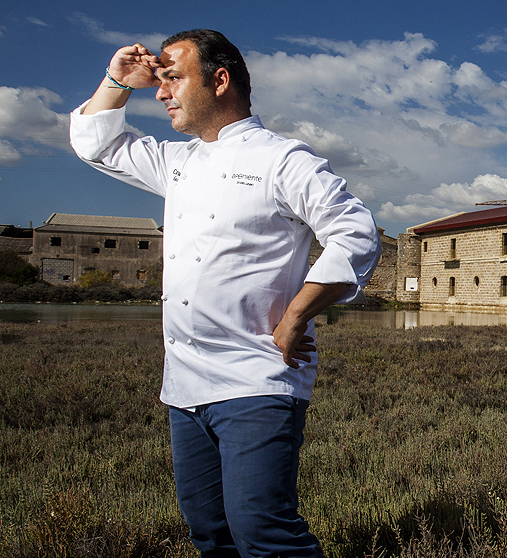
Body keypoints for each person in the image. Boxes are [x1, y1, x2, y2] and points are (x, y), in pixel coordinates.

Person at [69, 29, 381, 557]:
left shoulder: (283, 159)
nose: (161, 92)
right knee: (210, 532)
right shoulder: (178, 162)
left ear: (219, 81)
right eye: (159, 81)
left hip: (257, 375)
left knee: (262, 530)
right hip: (185, 385)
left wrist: (297, 315)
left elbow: (356, 233)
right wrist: (116, 82)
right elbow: (96, 144)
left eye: (173, 78)